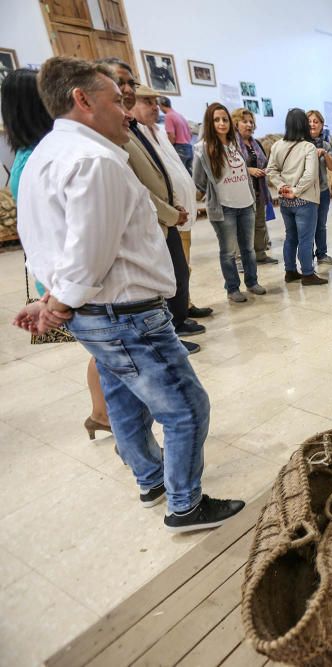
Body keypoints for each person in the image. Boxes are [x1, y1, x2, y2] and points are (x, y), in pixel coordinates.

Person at [14, 55, 244, 532]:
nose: (127, 111)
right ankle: (185, 505)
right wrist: (57, 304)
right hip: (124, 311)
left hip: (97, 313)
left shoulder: (44, 154)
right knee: (186, 408)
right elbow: (87, 252)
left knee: (122, 396)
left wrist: (52, 298)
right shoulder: (93, 161)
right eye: (116, 100)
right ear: (81, 100)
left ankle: (150, 476)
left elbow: (46, 241)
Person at [2, 66, 113, 440]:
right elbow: (64, 230)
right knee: (107, 352)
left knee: (107, 352)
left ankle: (102, 412)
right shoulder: (39, 157)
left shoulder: (41, 151)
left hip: (66, 273)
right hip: (66, 273)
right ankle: (102, 412)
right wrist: (59, 297)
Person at [124, 82, 206, 344]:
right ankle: (174, 324)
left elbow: (168, 170)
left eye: (156, 101)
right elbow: (143, 184)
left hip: (176, 212)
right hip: (161, 217)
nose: (154, 107)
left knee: (182, 269)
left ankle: (183, 311)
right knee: (170, 274)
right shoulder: (130, 136)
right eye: (147, 102)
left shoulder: (155, 130)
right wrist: (170, 212)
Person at [193, 103, 265, 302]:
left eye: (224, 119)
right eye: (217, 120)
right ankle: (232, 287)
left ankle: (252, 282)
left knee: (248, 249)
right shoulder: (202, 149)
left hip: (246, 204)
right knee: (228, 251)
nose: (222, 123)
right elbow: (199, 180)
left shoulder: (235, 144)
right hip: (225, 207)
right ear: (210, 122)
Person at [266, 108, 327, 285]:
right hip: (305, 200)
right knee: (306, 238)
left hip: (286, 201)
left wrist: (282, 186)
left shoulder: (277, 145)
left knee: (290, 236)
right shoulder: (309, 147)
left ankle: (290, 271)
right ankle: (308, 273)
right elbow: (310, 175)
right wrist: (296, 190)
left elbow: (271, 169)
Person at [232, 107, 278, 265]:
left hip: (259, 190)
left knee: (259, 224)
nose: (249, 125)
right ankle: (241, 259)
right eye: (244, 121)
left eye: (251, 122)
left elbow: (264, 162)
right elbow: (229, 167)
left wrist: (266, 170)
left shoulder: (255, 143)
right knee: (243, 227)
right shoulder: (232, 144)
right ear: (236, 123)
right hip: (241, 192)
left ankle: (260, 253)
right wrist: (248, 170)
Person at [306, 110, 332, 267]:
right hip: (306, 192)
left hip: (323, 190)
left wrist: (325, 154)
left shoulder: (326, 144)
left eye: (316, 121)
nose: (312, 124)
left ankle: (322, 254)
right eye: (309, 121)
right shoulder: (301, 144)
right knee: (308, 226)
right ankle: (307, 258)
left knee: (321, 224)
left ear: (321, 125)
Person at [159, 96, 193, 172]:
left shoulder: (168, 116)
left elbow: (172, 136)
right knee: (189, 174)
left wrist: (167, 148)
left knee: (180, 173)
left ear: (161, 105)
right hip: (189, 147)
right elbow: (190, 134)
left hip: (179, 148)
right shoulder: (179, 115)